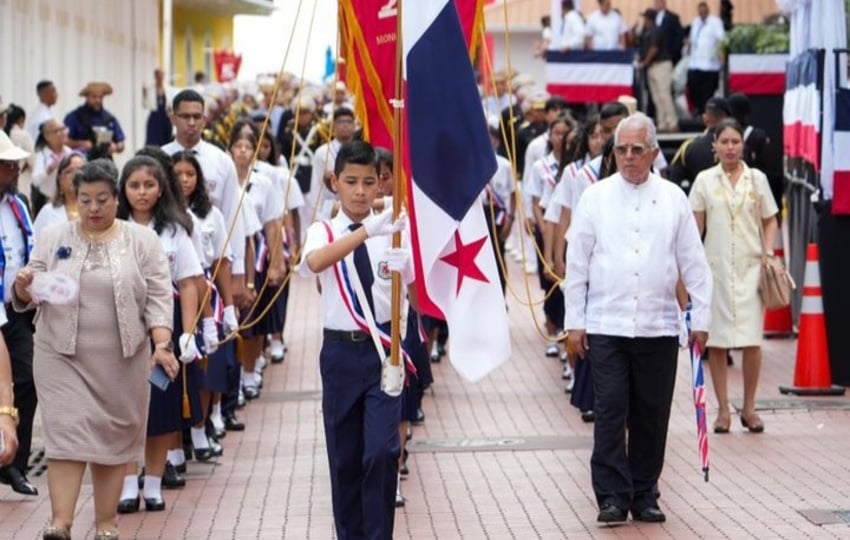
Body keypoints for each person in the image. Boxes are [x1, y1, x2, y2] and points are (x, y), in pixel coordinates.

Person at [12, 158, 179, 540]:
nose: (93, 209)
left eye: (102, 199)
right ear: (74, 199)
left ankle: (106, 524)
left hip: (124, 359)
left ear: (116, 199)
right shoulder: (55, 237)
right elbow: (28, 290)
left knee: (112, 438)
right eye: (84, 200)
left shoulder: (142, 241)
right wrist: (24, 285)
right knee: (65, 433)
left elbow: (157, 296)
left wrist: (162, 344)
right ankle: (61, 523)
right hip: (60, 355)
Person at [565, 114, 712, 524]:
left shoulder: (672, 198)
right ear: (613, 153)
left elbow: (694, 264)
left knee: (651, 413)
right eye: (621, 150)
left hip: (658, 324)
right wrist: (575, 321)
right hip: (606, 325)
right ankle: (612, 495)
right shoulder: (595, 197)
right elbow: (576, 263)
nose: (629, 158)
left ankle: (645, 491)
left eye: (636, 150)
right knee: (610, 411)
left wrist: (701, 316)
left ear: (652, 152)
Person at [297, 140, 413, 539]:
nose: (361, 191)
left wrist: (405, 261)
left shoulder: (393, 229)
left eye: (369, 182)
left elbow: (410, 286)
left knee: (382, 451)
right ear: (335, 182)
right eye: (351, 182)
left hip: (383, 353)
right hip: (341, 353)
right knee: (345, 459)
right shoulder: (324, 230)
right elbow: (313, 263)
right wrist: (366, 232)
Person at [116, 156, 206, 515]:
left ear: (160, 188)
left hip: (164, 331)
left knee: (160, 408)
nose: (141, 193)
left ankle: (152, 483)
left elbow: (187, 283)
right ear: (123, 189)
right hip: (121, 331)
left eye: (149, 185)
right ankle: (125, 483)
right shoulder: (113, 227)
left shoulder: (174, 230)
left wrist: (189, 332)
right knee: (124, 409)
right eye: (134, 185)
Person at [689, 118, 779, 434]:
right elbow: (694, 229)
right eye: (724, 142)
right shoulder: (704, 181)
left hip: (751, 269)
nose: (730, 148)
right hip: (715, 271)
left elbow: (771, 220)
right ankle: (723, 409)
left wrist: (768, 252)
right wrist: (689, 269)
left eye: (735, 142)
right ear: (714, 144)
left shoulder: (756, 179)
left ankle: (750, 407)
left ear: (743, 145)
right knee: (718, 341)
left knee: (752, 340)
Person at [0, 131, 38, 498]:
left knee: (26, 380)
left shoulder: (18, 205)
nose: (13, 170)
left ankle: (15, 464)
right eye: (6, 165)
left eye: (14, 164)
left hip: (14, 308)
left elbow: (30, 252)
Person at [636, 10, 678, 133]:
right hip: (652, 67)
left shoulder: (656, 30)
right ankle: (662, 123)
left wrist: (644, 62)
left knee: (664, 95)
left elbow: (654, 49)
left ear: (649, 19)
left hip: (661, 65)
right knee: (656, 97)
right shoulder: (647, 32)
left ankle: (672, 122)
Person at [64, 82, 126, 160]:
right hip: (81, 161)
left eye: (100, 97)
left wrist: (115, 147)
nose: (98, 100)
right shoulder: (74, 117)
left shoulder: (109, 118)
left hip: (104, 162)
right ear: (87, 97)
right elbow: (64, 141)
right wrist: (81, 144)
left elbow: (121, 143)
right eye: (94, 97)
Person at [32, 153, 86, 241]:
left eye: (80, 171)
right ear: (60, 179)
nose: (75, 176)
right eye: (69, 171)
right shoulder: (48, 212)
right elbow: (34, 245)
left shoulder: (94, 210)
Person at [687, 2, 725, 115]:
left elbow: (721, 40)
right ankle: (699, 110)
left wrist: (721, 55)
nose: (702, 14)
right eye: (700, 12)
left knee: (707, 93)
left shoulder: (715, 22)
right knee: (692, 87)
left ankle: (706, 114)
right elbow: (692, 39)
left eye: (704, 12)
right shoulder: (696, 22)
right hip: (695, 63)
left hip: (710, 65)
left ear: (708, 11)